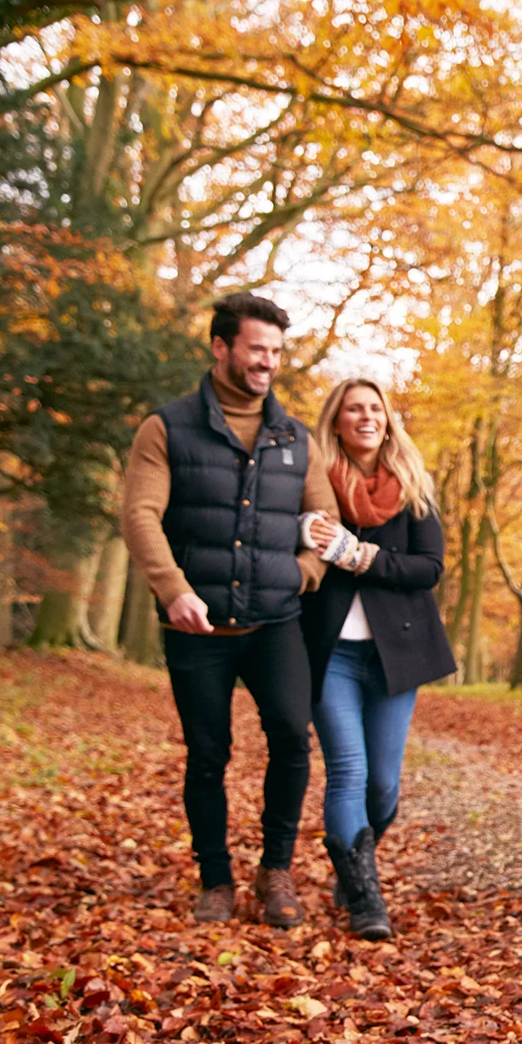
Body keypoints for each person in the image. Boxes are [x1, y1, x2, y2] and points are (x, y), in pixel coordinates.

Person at [120, 293, 337, 928]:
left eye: (275, 351)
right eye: (256, 349)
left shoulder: (296, 438)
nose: (267, 362)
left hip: (276, 623)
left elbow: (325, 526)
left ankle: (276, 871)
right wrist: (172, 588)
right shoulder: (167, 428)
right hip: (198, 626)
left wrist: (306, 572)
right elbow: (139, 515)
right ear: (221, 348)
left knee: (294, 741)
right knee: (208, 753)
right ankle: (214, 877)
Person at [299, 379, 456, 940]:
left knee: (384, 785)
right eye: (354, 410)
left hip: (396, 653)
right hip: (329, 652)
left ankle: (352, 860)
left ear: (387, 420)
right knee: (348, 771)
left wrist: (363, 556)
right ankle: (366, 898)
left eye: (375, 410)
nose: (366, 418)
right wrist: (308, 534)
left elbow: (429, 567)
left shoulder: (413, 486)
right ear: (336, 421)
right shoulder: (313, 483)